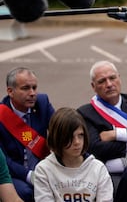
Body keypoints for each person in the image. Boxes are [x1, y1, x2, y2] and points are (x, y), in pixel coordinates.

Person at [77, 60, 127, 202]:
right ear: (93, 86)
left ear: (119, 78)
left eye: (112, 78)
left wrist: (115, 134)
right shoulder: (85, 113)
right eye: (102, 81)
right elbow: (95, 148)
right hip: (109, 172)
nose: (109, 84)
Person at [34, 107, 113, 201]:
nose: (77, 142)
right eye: (70, 137)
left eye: (80, 135)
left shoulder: (98, 168)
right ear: (57, 138)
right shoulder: (44, 170)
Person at [0, 67, 55, 202]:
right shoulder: (1, 116)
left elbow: (61, 131)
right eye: (25, 88)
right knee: (27, 192)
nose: (32, 93)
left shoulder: (42, 103)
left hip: (43, 169)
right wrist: (30, 176)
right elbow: (4, 161)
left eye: (34, 87)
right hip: (14, 174)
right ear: (10, 91)